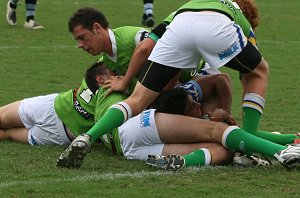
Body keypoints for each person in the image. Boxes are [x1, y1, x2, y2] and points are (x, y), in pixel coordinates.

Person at [57, 0, 271, 165]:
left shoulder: (189, 6)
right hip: (152, 117)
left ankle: (87, 136)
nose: (81, 45)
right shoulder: (237, 17)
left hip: (124, 130)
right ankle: (249, 146)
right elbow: (245, 75)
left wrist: (128, 83)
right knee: (255, 75)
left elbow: (147, 46)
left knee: (137, 100)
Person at [0, 62, 111, 145]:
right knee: (4, 124)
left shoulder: (118, 92)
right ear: (100, 79)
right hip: (54, 111)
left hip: (58, 128)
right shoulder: (119, 82)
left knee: (6, 131)